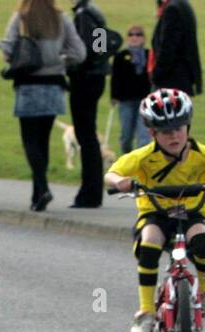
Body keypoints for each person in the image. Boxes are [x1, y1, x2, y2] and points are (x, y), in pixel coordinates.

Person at [105, 88, 205, 332]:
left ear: (188, 127)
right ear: (152, 133)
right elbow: (112, 173)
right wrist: (120, 182)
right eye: (166, 132)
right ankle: (146, 311)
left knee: (203, 240)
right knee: (149, 244)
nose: (174, 136)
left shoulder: (204, 154)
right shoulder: (144, 157)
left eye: (179, 129)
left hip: (191, 213)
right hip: (155, 214)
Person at [0, 0, 85, 212]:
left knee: (30, 140)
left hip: (28, 86)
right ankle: (37, 194)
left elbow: (7, 50)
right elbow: (80, 52)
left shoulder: (21, 17)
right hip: (54, 86)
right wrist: (60, 59)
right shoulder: (61, 18)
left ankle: (43, 187)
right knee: (43, 141)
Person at [67, 0, 115, 208]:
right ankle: (92, 191)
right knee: (89, 137)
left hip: (85, 81)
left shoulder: (83, 15)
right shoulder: (95, 13)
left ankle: (89, 193)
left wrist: (71, 65)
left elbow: (85, 51)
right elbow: (100, 48)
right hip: (96, 78)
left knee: (85, 137)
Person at [109, 23, 150, 154]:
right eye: (131, 34)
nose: (135, 37)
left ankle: (140, 165)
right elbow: (115, 78)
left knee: (143, 136)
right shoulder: (121, 56)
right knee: (126, 135)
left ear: (143, 38)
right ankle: (126, 160)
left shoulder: (150, 55)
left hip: (145, 101)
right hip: (125, 100)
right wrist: (114, 96)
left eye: (138, 34)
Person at [149, 0, 201, 95]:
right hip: (180, 80)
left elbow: (168, 48)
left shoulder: (172, 9)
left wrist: (156, 75)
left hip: (170, 81)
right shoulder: (182, 4)